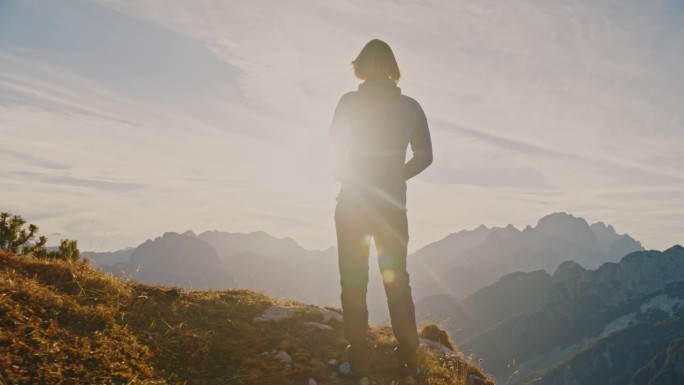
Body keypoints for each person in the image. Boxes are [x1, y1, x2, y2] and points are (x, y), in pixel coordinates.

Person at [330, 39, 433, 385]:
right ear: (391, 67)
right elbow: (425, 156)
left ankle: (358, 363)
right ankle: (410, 362)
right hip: (392, 207)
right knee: (397, 283)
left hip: (352, 205)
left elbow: (332, 157)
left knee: (353, 282)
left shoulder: (348, 103)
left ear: (360, 67)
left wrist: (350, 176)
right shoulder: (411, 107)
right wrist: (395, 175)